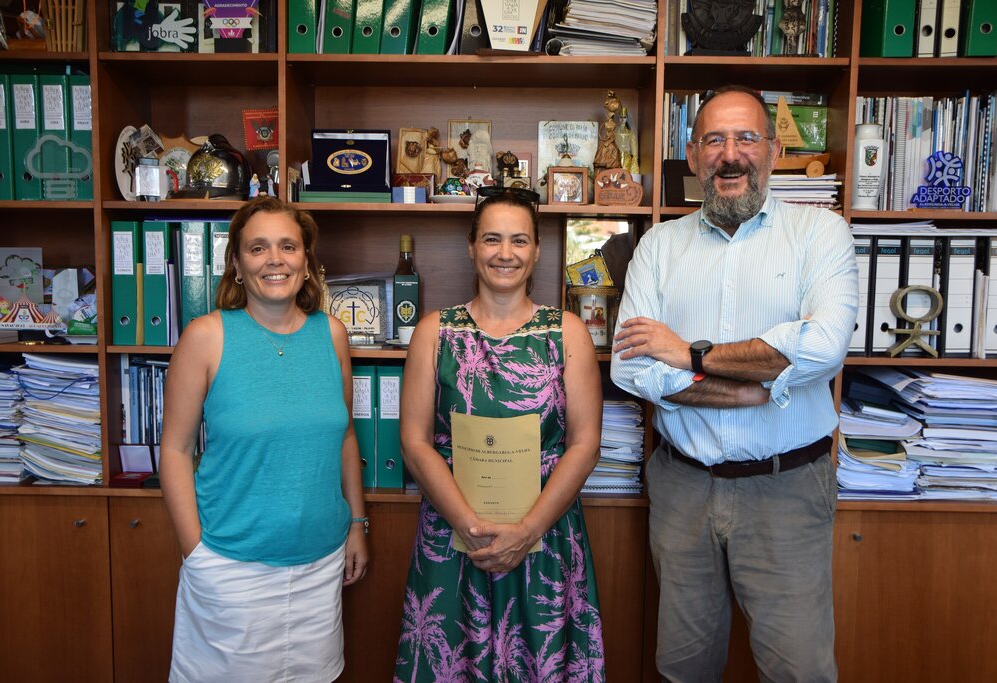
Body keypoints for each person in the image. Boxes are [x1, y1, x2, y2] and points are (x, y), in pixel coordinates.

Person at [610, 85, 858, 681]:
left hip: (787, 490)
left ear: (772, 150)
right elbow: (632, 368)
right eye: (714, 140)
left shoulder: (819, 234)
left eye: (746, 138)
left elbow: (823, 349)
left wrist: (688, 351)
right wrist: (757, 383)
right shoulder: (659, 247)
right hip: (683, 490)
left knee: (800, 671)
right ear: (693, 157)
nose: (731, 154)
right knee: (682, 669)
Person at [395, 187, 606, 681]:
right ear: (471, 247)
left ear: (536, 251)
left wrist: (526, 531)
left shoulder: (567, 332)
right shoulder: (434, 332)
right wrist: (468, 525)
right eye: (492, 239)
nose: (505, 253)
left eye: (519, 240)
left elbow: (585, 444)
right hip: (453, 534)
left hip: (546, 536)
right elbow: (414, 441)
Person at [161, 196, 369, 682]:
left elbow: (345, 434)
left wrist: (357, 522)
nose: (275, 260)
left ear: (306, 259)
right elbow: (173, 449)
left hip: (321, 563)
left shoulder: (332, 334)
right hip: (230, 567)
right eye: (257, 248)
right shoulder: (206, 337)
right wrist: (196, 552)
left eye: (287, 246)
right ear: (236, 263)